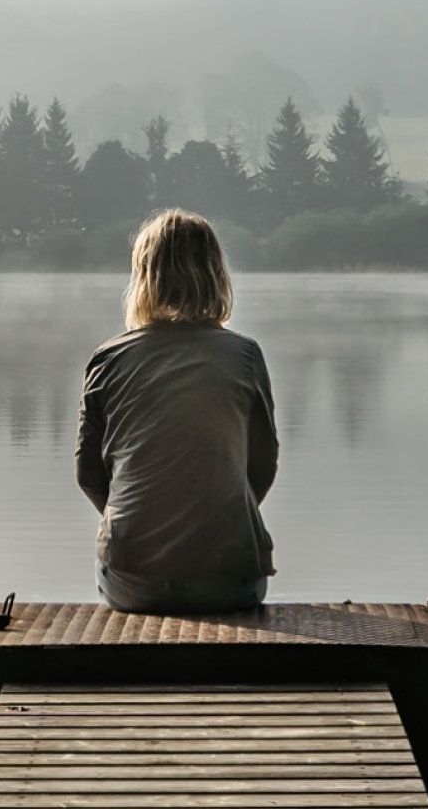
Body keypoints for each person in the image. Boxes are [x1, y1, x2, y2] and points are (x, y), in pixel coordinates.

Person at [77, 211, 278, 613]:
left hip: (132, 581)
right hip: (230, 582)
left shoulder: (108, 359)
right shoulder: (244, 356)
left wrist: (138, 525)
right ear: (215, 273)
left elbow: (89, 475)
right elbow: (262, 465)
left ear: (143, 276)